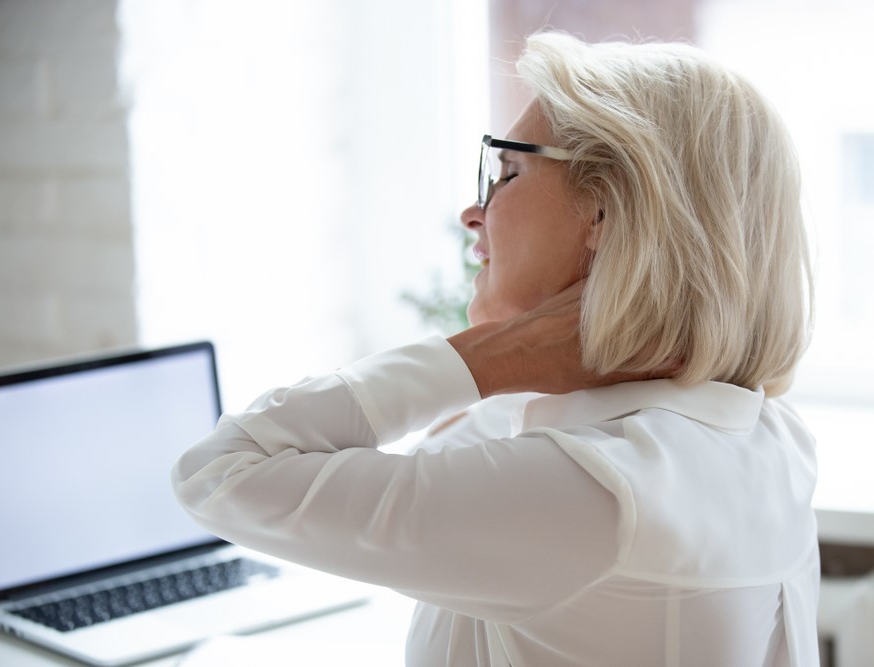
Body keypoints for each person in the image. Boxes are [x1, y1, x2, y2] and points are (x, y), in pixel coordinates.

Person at [173, 31, 818, 666]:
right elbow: (461, 449)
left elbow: (221, 471)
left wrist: (489, 355)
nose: (472, 213)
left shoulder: (591, 492)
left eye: (506, 171)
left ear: (606, 215)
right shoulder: (766, 435)